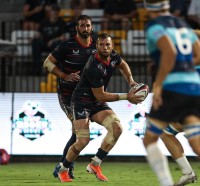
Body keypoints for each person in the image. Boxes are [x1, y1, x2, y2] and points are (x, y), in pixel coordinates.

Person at [56, 33, 143, 182]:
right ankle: (63, 169)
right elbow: (101, 96)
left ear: (112, 46)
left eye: (108, 45)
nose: (105, 47)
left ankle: (95, 164)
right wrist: (127, 96)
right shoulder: (93, 66)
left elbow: (123, 65)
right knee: (83, 140)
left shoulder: (114, 56)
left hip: (96, 101)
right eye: (101, 45)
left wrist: (131, 81)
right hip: (82, 101)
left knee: (117, 129)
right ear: (96, 47)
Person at [143, 1, 200, 186]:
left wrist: (158, 85)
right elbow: (197, 55)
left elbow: (169, 53)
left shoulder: (155, 26)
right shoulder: (183, 26)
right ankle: (187, 172)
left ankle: (167, 182)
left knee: (152, 136)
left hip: (176, 89)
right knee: (192, 138)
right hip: (194, 89)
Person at [43, 15, 96, 179]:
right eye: (82, 25)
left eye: (87, 25)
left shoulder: (97, 46)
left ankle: (63, 165)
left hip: (87, 95)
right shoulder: (67, 45)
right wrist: (64, 75)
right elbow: (47, 63)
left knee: (78, 133)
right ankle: (65, 167)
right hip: (67, 95)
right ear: (77, 28)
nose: (85, 28)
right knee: (79, 132)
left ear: (91, 27)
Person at [32, 4, 66, 75]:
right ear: (50, 12)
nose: (54, 13)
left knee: (58, 44)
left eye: (56, 12)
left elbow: (63, 37)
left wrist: (52, 40)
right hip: (45, 43)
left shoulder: (61, 22)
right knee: (35, 43)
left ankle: (56, 69)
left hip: (54, 44)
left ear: (58, 13)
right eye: (53, 11)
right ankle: (37, 68)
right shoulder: (44, 22)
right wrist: (35, 37)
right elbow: (39, 34)